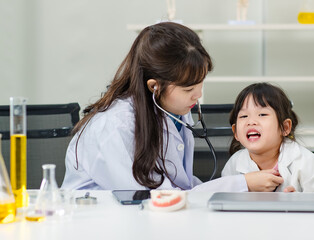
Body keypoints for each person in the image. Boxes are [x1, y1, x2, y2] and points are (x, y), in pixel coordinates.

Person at [61, 22, 282, 191]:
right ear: (155, 87)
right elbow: (157, 198)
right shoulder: (114, 127)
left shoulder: (173, 111)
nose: (198, 94)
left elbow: (181, 187)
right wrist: (241, 184)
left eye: (200, 84)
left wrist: (242, 188)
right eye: (188, 89)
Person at [222, 82, 314, 192]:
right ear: (235, 132)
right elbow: (224, 200)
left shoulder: (309, 165)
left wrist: (299, 202)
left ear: (285, 128)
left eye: (262, 114)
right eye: (244, 116)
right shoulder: (234, 164)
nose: (251, 121)